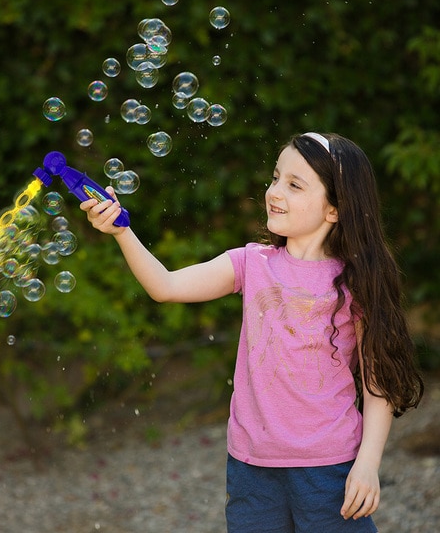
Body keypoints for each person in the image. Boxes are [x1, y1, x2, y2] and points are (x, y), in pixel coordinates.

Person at [80, 132, 424, 533]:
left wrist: (367, 463)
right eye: (275, 178)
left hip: (329, 467)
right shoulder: (251, 263)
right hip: (251, 467)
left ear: (336, 208)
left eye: (295, 185)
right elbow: (166, 286)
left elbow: (377, 377)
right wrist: (122, 231)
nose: (275, 192)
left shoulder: (356, 281)